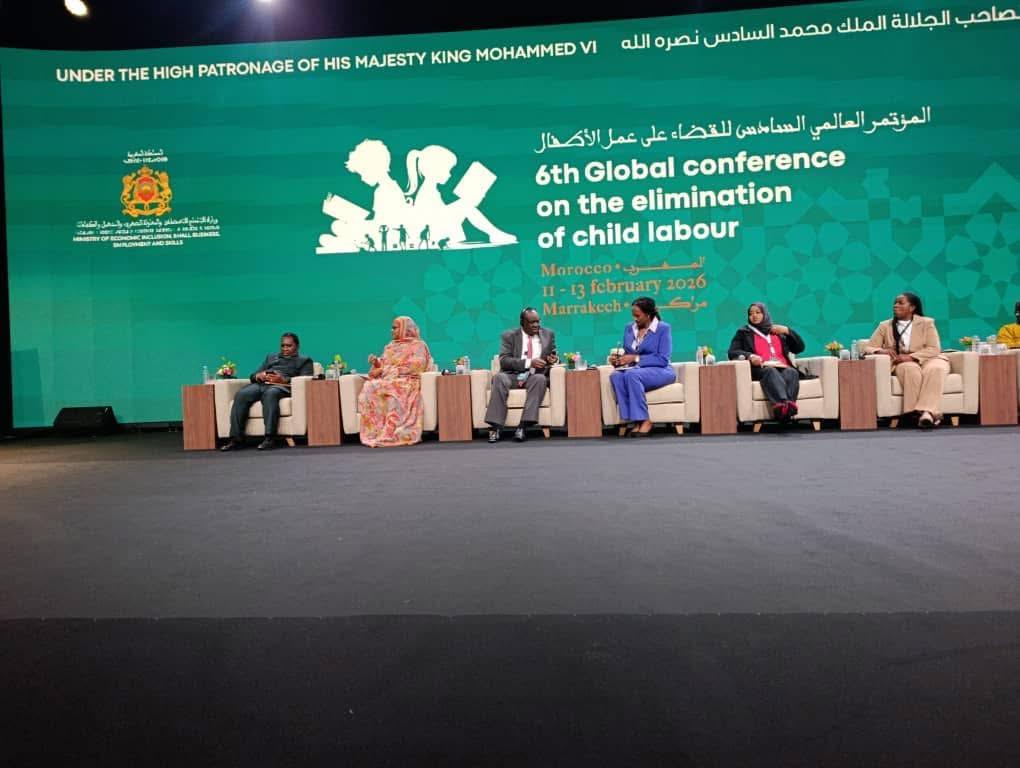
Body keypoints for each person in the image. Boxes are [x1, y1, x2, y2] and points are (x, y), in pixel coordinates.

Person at [863, 292, 949, 428]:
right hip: (902, 361)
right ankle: (920, 414)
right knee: (911, 370)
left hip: (929, 358)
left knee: (936, 369)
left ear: (912, 307)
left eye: (900, 303)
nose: (895, 305)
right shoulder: (885, 326)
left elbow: (934, 348)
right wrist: (881, 350)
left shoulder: (927, 323)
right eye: (895, 303)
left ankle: (927, 412)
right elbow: (868, 347)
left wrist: (911, 356)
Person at [221, 333, 314, 451]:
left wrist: (283, 380)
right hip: (262, 384)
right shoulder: (271, 357)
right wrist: (258, 376)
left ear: (297, 346)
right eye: (283, 346)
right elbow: (253, 375)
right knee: (241, 394)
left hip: (281, 386)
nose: (285, 349)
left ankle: (269, 438)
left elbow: (305, 381)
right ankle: (236, 439)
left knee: (270, 394)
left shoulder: (304, 360)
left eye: (289, 346)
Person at [484, 308, 558, 443]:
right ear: (522, 323)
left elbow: (553, 355)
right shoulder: (509, 336)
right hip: (512, 375)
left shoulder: (548, 334)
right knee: (499, 378)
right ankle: (496, 427)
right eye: (532, 322)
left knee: (540, 379)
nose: (536, 325)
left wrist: (553, 359)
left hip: (534, 376)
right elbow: (504, 361)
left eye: (538, 321)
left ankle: (523, 427)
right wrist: (529, 362)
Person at [358, 316, 432, 447]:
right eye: (392, 328)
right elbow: (384, 365)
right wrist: (376, 363)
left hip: (407, 381)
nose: (391, 330)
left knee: (393, 389)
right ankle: (375, 432)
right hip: (389, 380)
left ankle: (390, 432)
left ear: (405, 329)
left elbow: (416, 367)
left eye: (395, 328)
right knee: (369, 387)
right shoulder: (390, 346)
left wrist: (384, 370)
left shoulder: (418, 345)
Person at [727, 302, 806, 423]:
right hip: (761, 369)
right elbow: (733, 352)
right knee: (770, 371)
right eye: (751, 314)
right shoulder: (744, 332)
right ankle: (782, 406)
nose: (754, 315)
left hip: (782, 366)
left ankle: (787, 407)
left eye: (758, 312)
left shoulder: (777, 332)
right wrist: (750, 356)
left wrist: (787, 331)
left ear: (765, 314)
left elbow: (799, 348)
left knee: (792, 372)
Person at [608, 297, 676, 436]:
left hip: (661, 370)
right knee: (616, 376)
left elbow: (662, 359)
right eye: (633, 315)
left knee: (632, 375)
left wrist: (635, 358)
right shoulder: (629, 328)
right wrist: (619, 360)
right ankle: (634, 421)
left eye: (638, 316)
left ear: (648, 314)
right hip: (636, 369)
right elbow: (628, 353)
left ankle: (645, 420)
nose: (635, 319)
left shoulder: (663, 329)